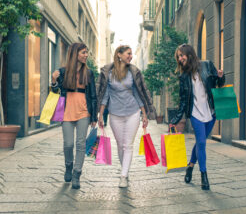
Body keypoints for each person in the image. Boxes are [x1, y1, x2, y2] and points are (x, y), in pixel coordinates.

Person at [97, 45, 156, 188]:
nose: (131, 56)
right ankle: (125, 170)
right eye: (128, 54)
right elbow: (105, 95)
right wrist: (100, 114)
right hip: (115, 114)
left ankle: (123, 175)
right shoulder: (108, 72)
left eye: (131, 54)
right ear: (119, 55)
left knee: (128, 145)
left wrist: (144, 113)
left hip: (133, 112)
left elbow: (138, 93)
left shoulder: (133, 71)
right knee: (120, 144)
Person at [170, 44, 225, 190]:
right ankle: (204, 176)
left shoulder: (207, 65)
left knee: (200, 143)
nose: (180, 59)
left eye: (182, 55)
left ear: (189, 54)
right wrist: (175, 120)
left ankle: (190, 167)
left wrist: (220, 77)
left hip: (210, 112)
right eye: (178, 57)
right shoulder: (183, 76)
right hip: (195, 113)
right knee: (201, 143)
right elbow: (183, 100)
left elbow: (219, 85)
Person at [51, 43, 97, 189]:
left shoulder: (88, 73)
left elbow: (93, 95)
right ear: (75, 53)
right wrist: (53, 81)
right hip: (66, 112)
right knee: (68, 144)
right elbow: (54, 93)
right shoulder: (63, 72)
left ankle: (77, 174)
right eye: (83, 52)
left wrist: (94, 117)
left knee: (81, 144)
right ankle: (68, 166)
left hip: (84, 112)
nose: (86, 55)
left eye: (86, 53)